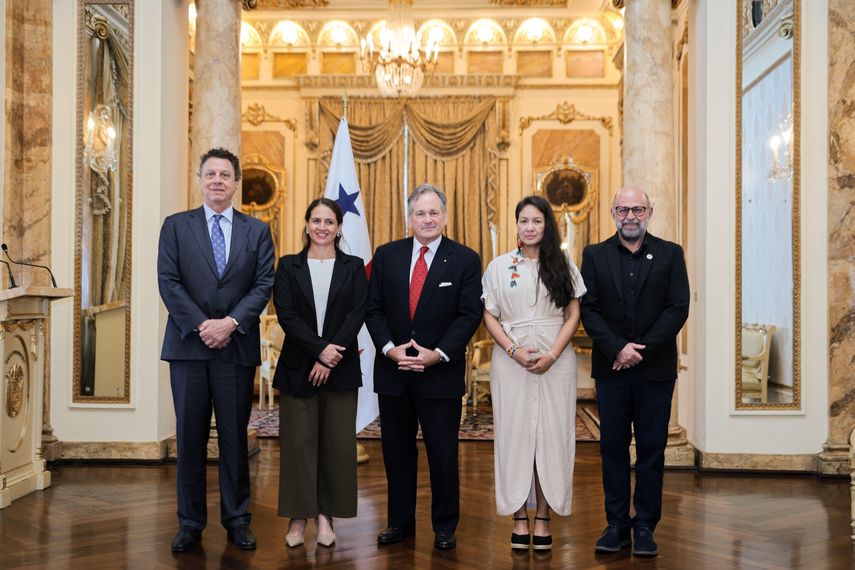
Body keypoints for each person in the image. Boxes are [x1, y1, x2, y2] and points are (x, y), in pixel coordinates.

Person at [158, 147, 275, 552]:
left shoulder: (256, 231)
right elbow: (168, 282)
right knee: (189, 438)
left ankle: (238, 519)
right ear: (200, 179)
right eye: (211, 174)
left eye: (226, 175)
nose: (218, 181)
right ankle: (189, 523)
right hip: (190, 346)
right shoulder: (176, 226)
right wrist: (203, 325)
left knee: (233, 438)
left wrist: (230, 323)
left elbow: (263, 284)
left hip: (236, 347)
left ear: (235, 182)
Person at [365, 183, 482, 551]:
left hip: (440, 376)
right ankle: (399, 523)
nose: (427, 219)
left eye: (434, 212)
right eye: (420, 213)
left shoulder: (465, 259)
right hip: (394, 373)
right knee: (397, 454)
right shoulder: (386, 255)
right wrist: (388, 349)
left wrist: (439, 353)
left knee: (443, 454)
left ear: (445, 217)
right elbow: (373, 309)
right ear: (409, 217)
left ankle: (445, 526)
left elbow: (469, 314)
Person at [580, 186, 690, 558]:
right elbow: (588, 309)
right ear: (613, 213)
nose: (630, 216)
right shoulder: (593, 255)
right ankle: (616, 525)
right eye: (624, 209)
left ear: (649, 212)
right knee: (611, 448)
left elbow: (678, 308)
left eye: (638, 209)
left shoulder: (670, 254)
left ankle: (644, 526)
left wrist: (638, 351)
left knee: (651, 450)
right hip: (611, 370)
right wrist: (618, 348)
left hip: (655, 370)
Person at [481, 195, 586, 551]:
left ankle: (543, 514)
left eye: (536, 221)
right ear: (516, 225)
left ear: (547, 225)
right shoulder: (498, 266)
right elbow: (489, 315)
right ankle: (518, 516)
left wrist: (554, 353)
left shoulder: (564, 265)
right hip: (511, 363)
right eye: (523, 221)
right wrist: (513, 350)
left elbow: (573, 314)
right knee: (516, 436)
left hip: (556, 362)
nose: (529, 227)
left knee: (551, 436)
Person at [272, 198, 367, 548]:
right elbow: (286, 314)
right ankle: (298, 518)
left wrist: (329, 357)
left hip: (340, 369)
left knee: (336, 446)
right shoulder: (288, 265)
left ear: (339, 227)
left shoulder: (354, 267)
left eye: (329, 221)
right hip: (298, 368)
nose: (322, 227)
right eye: (316, 220)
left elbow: (356, 314)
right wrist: (318, 350)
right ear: (307, 224)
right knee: (298, 445)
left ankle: (326, 516)